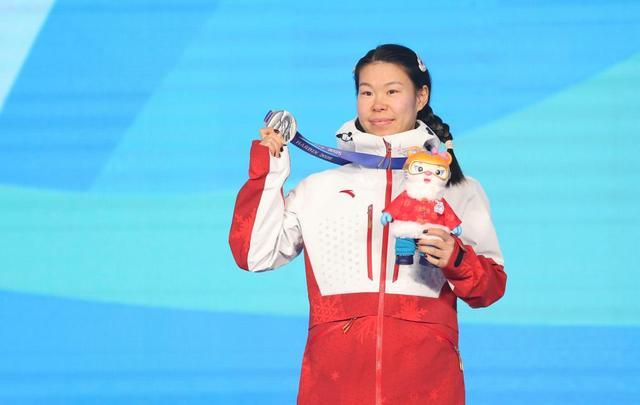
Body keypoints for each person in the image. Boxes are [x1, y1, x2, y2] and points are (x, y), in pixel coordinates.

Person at [229, 44, 506, 405]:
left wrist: (456, 258)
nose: (378, 104)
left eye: (392, 91)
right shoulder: (320, 189)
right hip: (334, 388)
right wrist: (271, 169)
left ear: (421, 96)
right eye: (367, 92)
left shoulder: (457, 188)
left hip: (428, 387)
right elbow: (254, 254)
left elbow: (490, 288)